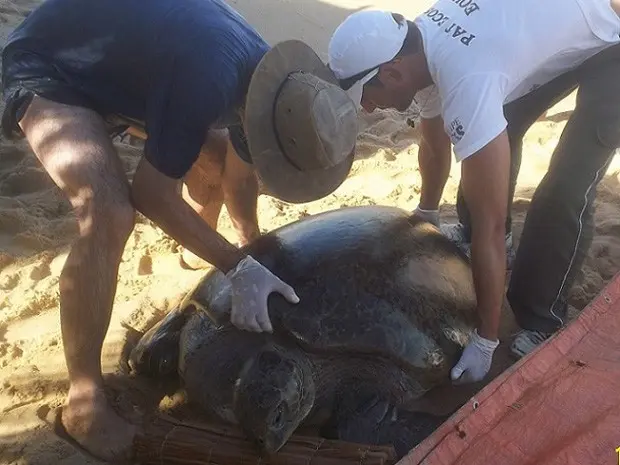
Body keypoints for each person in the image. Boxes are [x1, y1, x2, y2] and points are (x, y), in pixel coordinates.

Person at [0, 0, 358, 461]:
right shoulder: (209, 78)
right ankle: (84, 401)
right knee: (109, 212)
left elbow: (238, 174)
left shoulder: (278, 90)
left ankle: (194, 253)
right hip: (49, 66)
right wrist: (236, 266)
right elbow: (151, 195)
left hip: (132, 72)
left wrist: (251, 244)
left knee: (211, 161)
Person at [328, 1, 620, 385]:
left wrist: (485, 339)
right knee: (497, 126)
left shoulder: (465, 76)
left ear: (393, 70)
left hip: (613, 33)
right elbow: (434, 146)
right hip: (566, 24)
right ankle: (479, 244)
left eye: (365, 96)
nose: (367, 109)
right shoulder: (417, 42)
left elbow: (491, 225)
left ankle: (540, 317)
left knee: (565, 184)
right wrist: (426, 216)